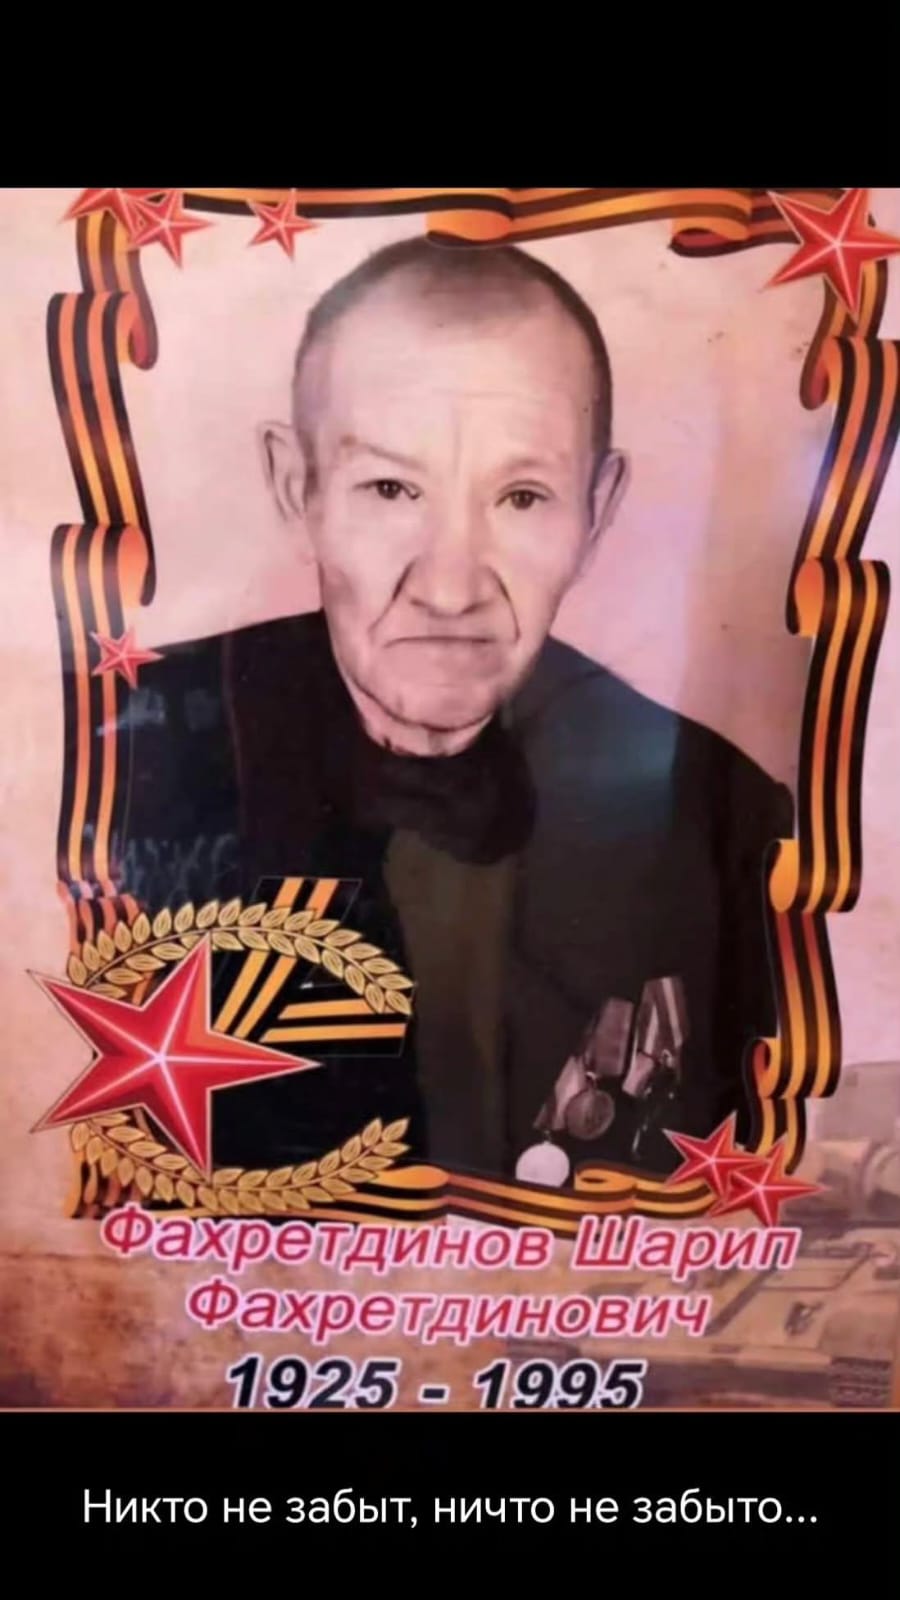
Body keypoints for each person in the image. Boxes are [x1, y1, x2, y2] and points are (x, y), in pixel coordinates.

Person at [110, 238, 793, 1185]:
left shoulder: (725, 818)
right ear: (297, 489)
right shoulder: (117, 756)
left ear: (596, 510)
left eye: (522, 497)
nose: (450, 588)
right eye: (392, 488)